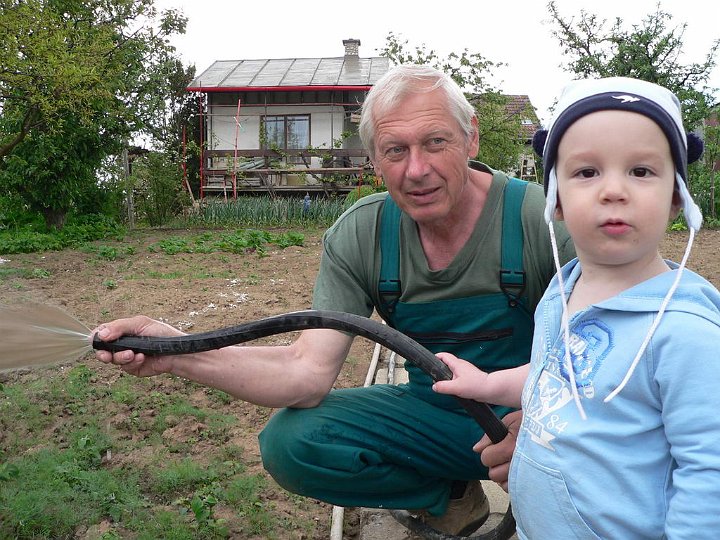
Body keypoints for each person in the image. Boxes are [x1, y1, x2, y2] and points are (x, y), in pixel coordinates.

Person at [92, 64, 574, 536]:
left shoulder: (544, 220)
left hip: (547, 420)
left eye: (435, 142)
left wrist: (541, 425)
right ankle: (447, 494)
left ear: (471, 138)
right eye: (395, 150)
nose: (417, 170)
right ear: (374, 160)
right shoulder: (363, 233)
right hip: (432, 420)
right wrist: (177, 352)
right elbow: (305, 373)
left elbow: (608, 364)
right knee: (293, 442)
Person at [433, 77, 720, 538]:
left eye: (641, 171)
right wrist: (488, 383)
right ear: (556, 201)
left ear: (675, 198)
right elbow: (562, 374)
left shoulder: (685, 334)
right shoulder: (564, 289)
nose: (613, 190)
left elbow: (709, 473)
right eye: (587, 172)